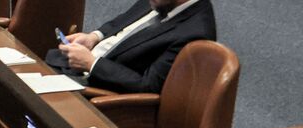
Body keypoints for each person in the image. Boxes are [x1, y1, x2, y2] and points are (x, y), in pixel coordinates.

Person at [47, 0, 216, 94]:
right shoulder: (164, 1)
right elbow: (123, 21)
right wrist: (94, 37)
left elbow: (148, 86)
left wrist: (92, 63)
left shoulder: (195, 33)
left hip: (100, 93)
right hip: (70, 67)